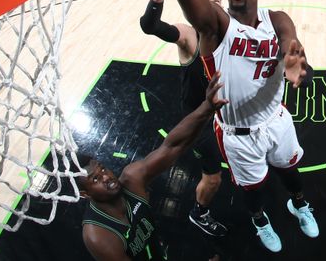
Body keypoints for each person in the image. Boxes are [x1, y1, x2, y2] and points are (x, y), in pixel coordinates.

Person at [160, 0, 319, 253]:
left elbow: (293, 47)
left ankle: (299, 204)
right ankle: (260, 221)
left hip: (277, 120)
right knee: (252, 189)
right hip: (237, 133)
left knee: (290, 172)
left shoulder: (276, 18)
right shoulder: (216, 26)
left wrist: (299, 63)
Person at [77, 71, 227, 261]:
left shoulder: (132, 178)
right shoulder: (99, 236)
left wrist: (206, 107)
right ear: (85, 194)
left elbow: (173, 145)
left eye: (103, 169)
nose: (106, 176)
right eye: (95, 179)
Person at [139, 0, 228, 238]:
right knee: (213, 176)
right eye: (207, 2)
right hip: (198, 118)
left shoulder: (231, 35)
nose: (213, 8)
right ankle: (199, 213)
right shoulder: (189, 35)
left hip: (228, 116)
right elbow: (149, 25)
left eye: (218, 4)